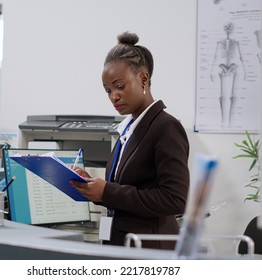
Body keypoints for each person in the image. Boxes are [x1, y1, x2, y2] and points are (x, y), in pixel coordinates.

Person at [70, 32, 190, 250]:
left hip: (151, 249)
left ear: (143, 79)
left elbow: (174, 199)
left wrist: (107, 191)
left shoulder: (165, 127)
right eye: (108, 90)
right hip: (123, 245)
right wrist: (92, 187)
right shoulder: (128, 129)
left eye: (119, 86)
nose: (113, 96)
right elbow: (124, 190)